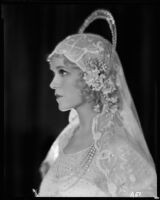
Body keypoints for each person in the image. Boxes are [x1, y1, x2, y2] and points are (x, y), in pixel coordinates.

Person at [33, 9, 157, 197]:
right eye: (53, 73)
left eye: (63, 72)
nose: (52, 83)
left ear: (91, 78)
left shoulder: (118, 150)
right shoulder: (63, 142)